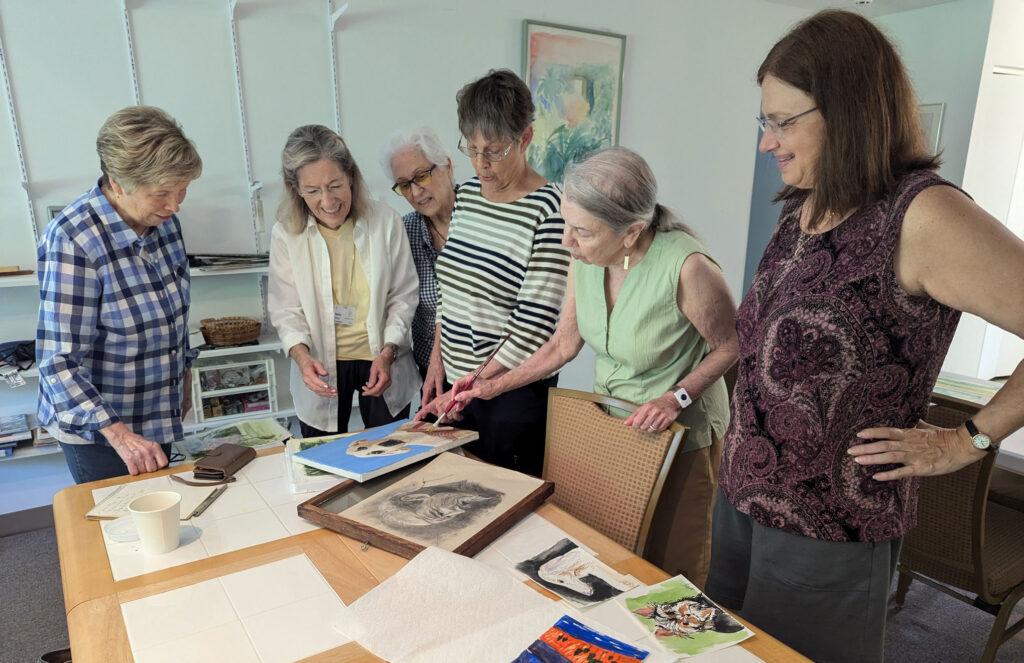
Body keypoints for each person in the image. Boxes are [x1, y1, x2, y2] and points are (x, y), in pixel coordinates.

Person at [704, 10, 1024, 663]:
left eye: (782, 121)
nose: (767, 143)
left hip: (829, 528)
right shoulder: (804, 204)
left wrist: (973, 437)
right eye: (764, 121)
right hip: (740, 502)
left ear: (847, 110)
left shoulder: (924, 214)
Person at [449, 147, 738, 587]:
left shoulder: (688, 268)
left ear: (632, 231)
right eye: (567, 224)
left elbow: (733, 346)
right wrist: (494, 385)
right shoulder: (585, 259)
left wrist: (676, 398)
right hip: (614, 428)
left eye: (581, 231)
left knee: (669, 568)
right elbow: (562, 345)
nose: (567, 241)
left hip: (681, 437)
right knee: (607, 557)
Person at [414, 69, 571, 477]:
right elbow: (450, 291)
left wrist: (468, 387)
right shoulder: (466, 197)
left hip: (512, 396)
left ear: (526, 138)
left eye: (495, 150)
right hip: (459, 389)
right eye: (472, 147)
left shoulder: (549, 211)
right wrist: (438, 363)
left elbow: (533, 327)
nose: (481, 163)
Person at [36, 105, 203, 483]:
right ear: (118, 182)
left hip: (156, 410)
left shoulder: (164, 223)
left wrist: (185, 378)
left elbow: (174, 314)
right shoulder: (72, 239)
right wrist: (121, 435)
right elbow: (58, 363)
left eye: (182, 191)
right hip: (100, 430)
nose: (175, 205)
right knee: (118, 529)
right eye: (162, 193)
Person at [268, 125, 420, 438]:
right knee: (324, 458)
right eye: (312, 191)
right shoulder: (286, 234)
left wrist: (389, 351)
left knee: (390, 454)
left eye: (335, 185)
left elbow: (403, 296)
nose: (327, 200)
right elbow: (286, 310)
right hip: (321, 361)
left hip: (382, 356)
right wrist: (301, 356)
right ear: (295, 188)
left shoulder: (386, 222)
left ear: (351, 175)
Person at [379, 126, 458, 379]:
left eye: (421, 176)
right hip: (433, 374)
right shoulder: (405, 231)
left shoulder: (479, 217)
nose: (415, 192)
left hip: (488, 373)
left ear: (446, 166)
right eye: (403, 185)